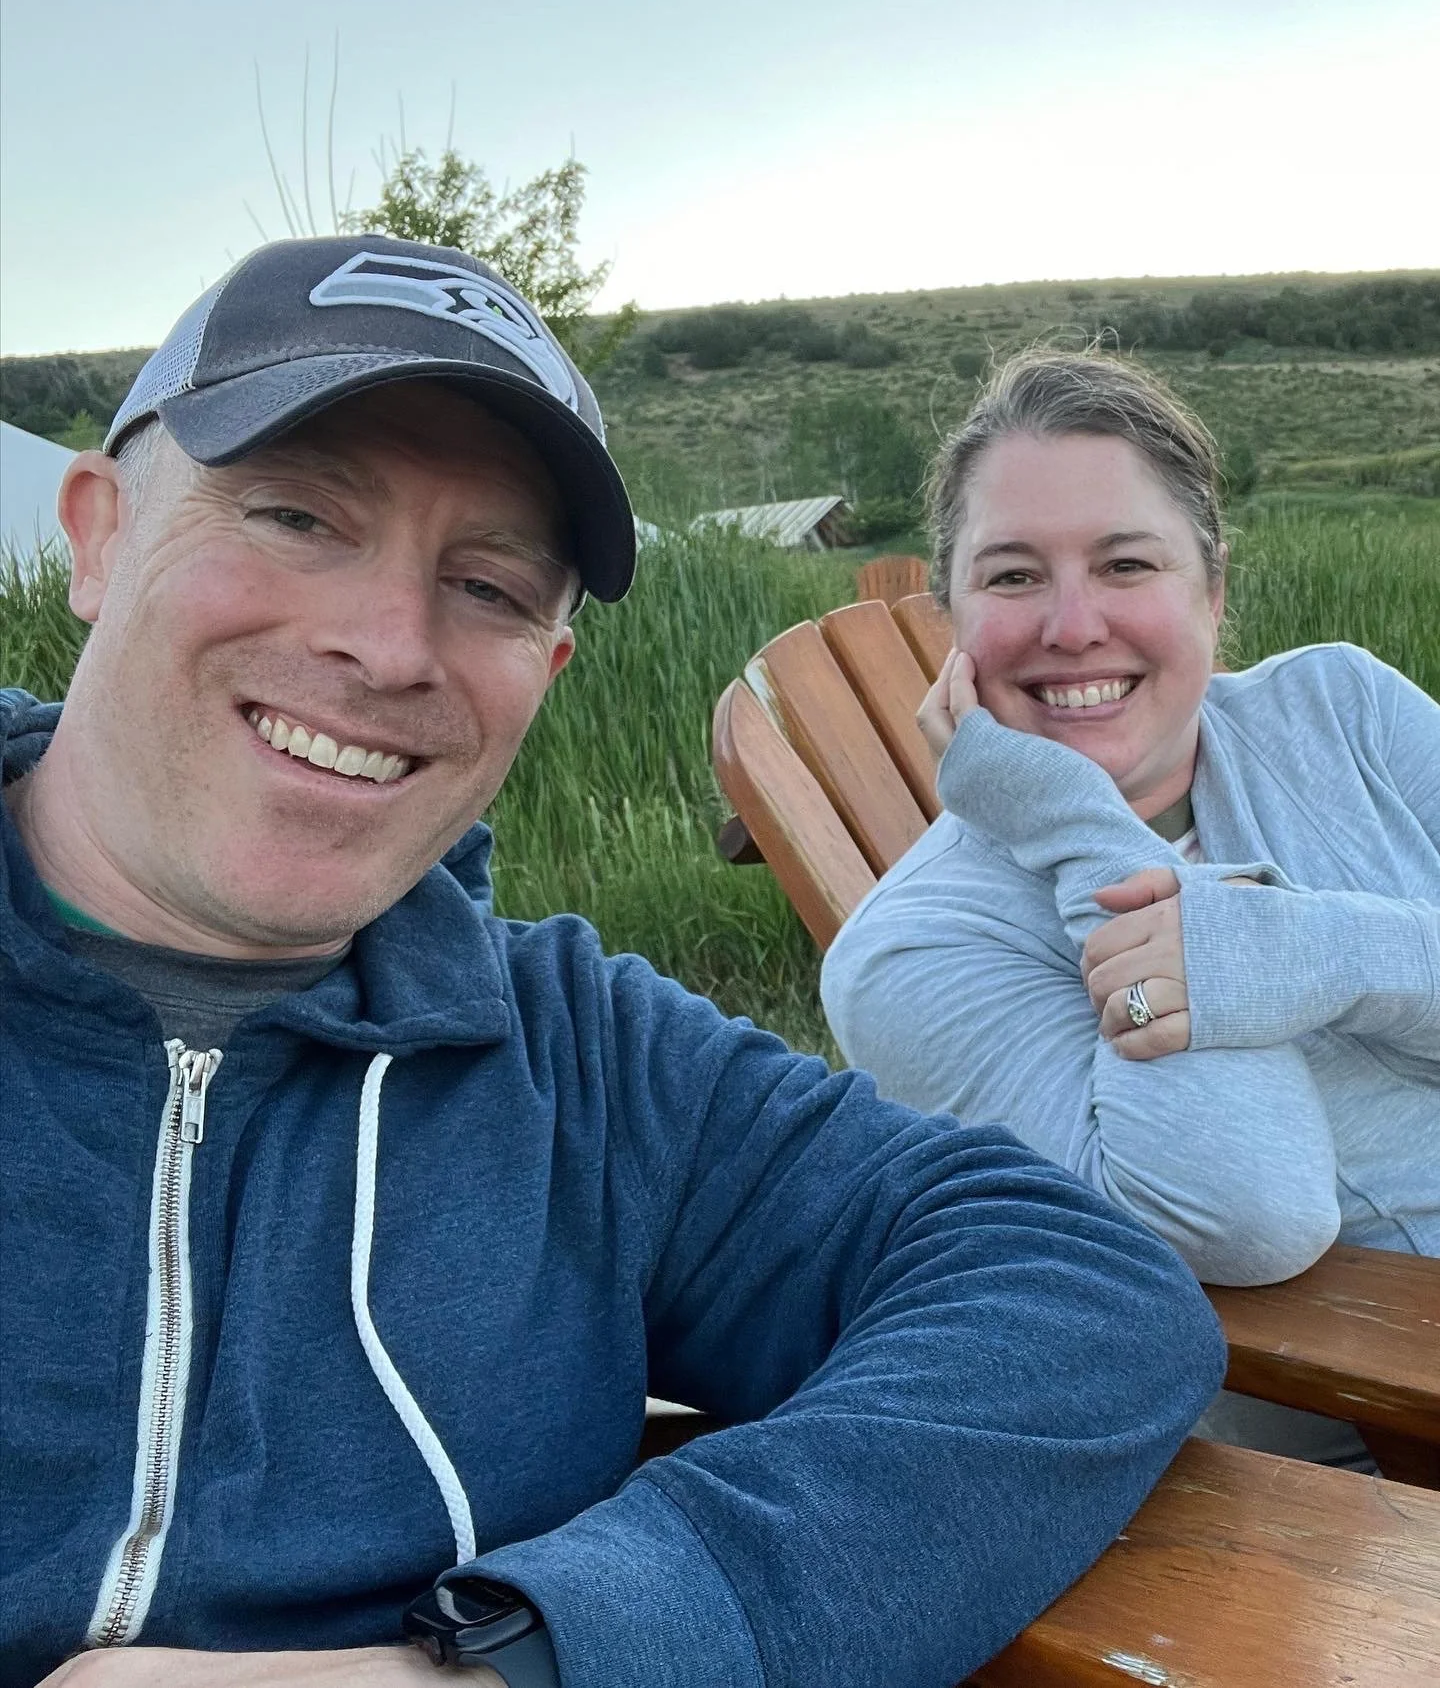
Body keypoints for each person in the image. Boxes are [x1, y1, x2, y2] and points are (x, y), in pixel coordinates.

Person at [0, 243, 1224, 1688]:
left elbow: (1087, 1293)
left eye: (491, 586)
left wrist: (522, 1655)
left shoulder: (582, 1059)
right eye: (295, 513)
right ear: (96, 533)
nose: (391, 644)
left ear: (550, 667)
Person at [821, 345, 1440, 1469]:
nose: (1070, 627)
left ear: (1213, 592)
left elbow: (1299, 959)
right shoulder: (913, 956)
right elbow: (1247, 1216)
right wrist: (1070, 821)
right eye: (1011, 576)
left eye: (1125, 564)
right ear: (948, 619)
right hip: (1392, 1455)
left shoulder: (1341, 711)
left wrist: (1311, 949)